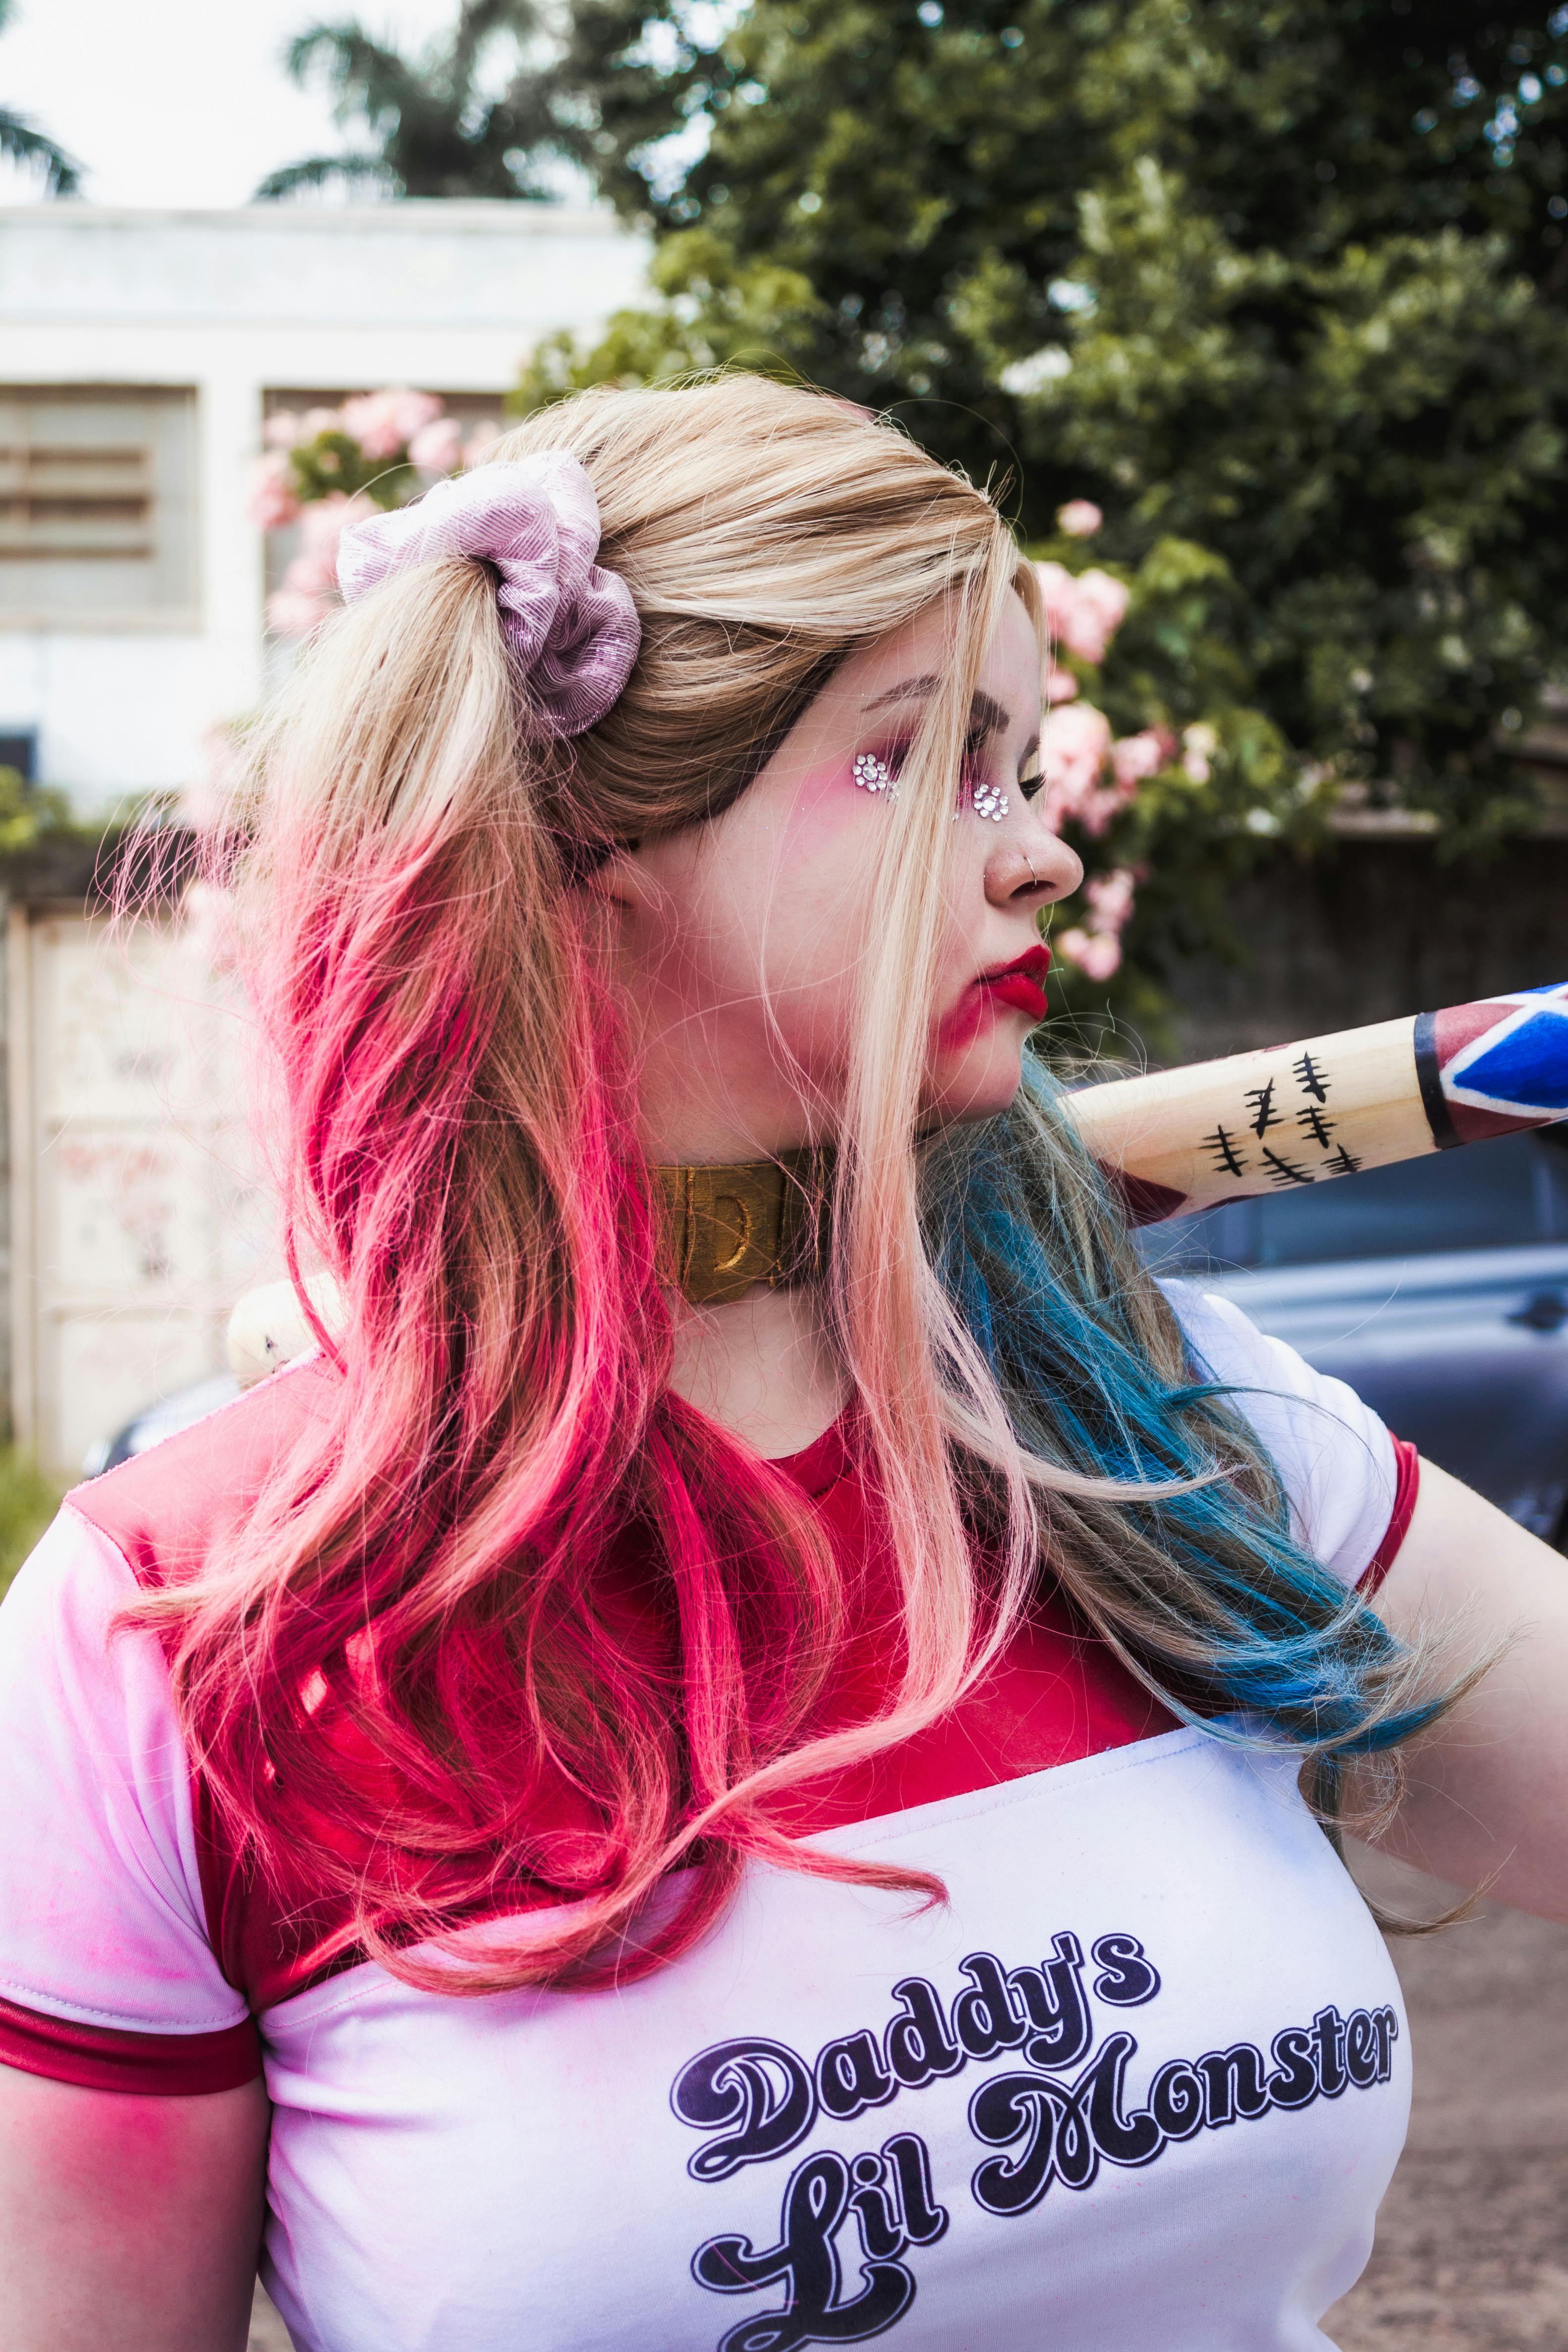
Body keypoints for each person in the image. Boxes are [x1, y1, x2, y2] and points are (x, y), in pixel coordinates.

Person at [0, 377, 1563, 2352]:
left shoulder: (1147, 1423)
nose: (1041, 860)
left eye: (1021, 765)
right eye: (922, 765)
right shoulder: (167, 1638)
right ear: (598, 863)